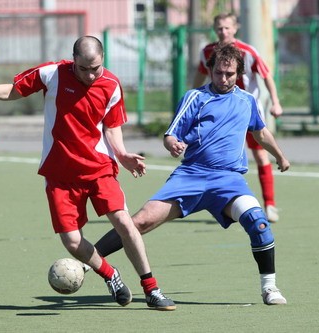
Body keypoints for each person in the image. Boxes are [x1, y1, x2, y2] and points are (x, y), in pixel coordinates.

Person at [0, 36, 176, 311]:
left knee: (124, 223)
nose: (91, 75)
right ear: (73, 61)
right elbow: (14, 90)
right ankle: (110, 274)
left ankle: (151, 289)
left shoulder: (111, 85)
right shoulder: (52, 73)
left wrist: (123, 155)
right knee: (71, 241)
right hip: (60, 173)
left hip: (99, 168)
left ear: (103, 59)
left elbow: (111, 127)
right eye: (84, 69)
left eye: (96, 68)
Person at [94, 44, 290, 305]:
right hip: (191, 176)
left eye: (229, 74)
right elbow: (170, 134)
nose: (223, 79)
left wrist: (279, 155)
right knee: (139, 222)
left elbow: (261, 133)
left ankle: (269, 288)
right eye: (218, 73)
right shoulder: (194, 98)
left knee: (259, 224)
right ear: (210, 70)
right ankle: (87, 261)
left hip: (229, 181)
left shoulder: (247, 101)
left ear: (239, 74)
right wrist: (172, 143)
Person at [193, 13, 283, 222]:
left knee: (260, 156)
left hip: (247, 112)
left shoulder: (248, 51)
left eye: (226, 28)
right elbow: (200, 73)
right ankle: (226, 205)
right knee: (221, 157)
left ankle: (269, 204)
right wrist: (193, 97)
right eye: (219, 28)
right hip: (221, 112)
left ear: (235, 28)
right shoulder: (207, 51)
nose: (223, 32)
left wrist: (276, 102)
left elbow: (266, 75)